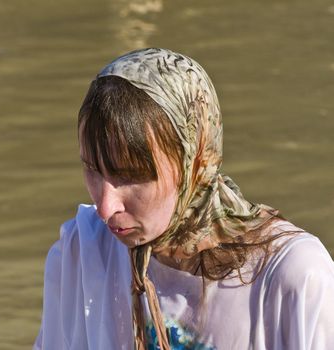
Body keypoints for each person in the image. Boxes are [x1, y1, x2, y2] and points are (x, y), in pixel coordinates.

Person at [33, 48, 334, 350]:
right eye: (92, 170)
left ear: (197, 159)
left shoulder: (292, 278)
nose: (106, 207)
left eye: (131, 175)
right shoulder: (84, 252)